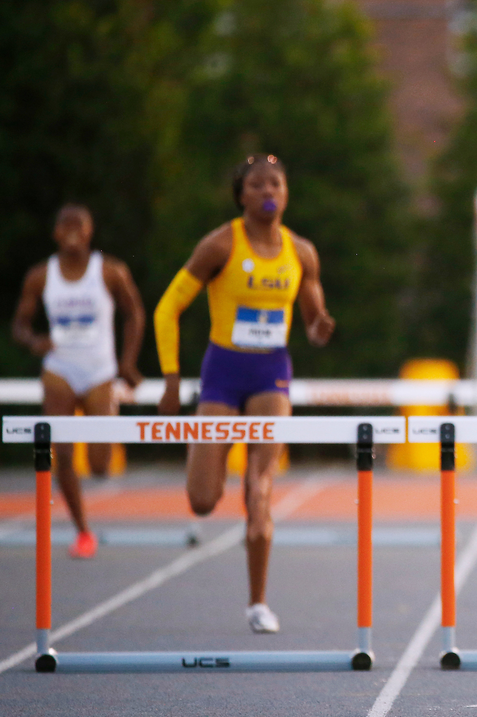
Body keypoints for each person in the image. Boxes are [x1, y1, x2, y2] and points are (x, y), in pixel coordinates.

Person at [154, 154, 335, 633]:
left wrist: (319, 329)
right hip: (222, 374)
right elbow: (168, 307)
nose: (267, 190)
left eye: (276, 181)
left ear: (286, 191)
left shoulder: (301, 252)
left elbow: (315, 319)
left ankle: (258, 603)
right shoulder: (220, 244)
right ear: (242, 195)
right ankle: (221, 471)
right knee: (201, 500)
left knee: (261, 491)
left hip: (271, 375)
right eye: (256, 184)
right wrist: (171, 377)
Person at [11, 204, 146, 559]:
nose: (72, 230)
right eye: (65, 224)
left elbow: (134, 313)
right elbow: (20, 324)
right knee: (64, 456)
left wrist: (127, 362)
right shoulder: (41, 276)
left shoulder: (110, 270)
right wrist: (32, 341)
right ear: (55, 233)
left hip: (100, 372)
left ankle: (89, 510)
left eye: (79, 225)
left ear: (90, 232)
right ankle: (83, 531)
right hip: (60, 371)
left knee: (101, 464)